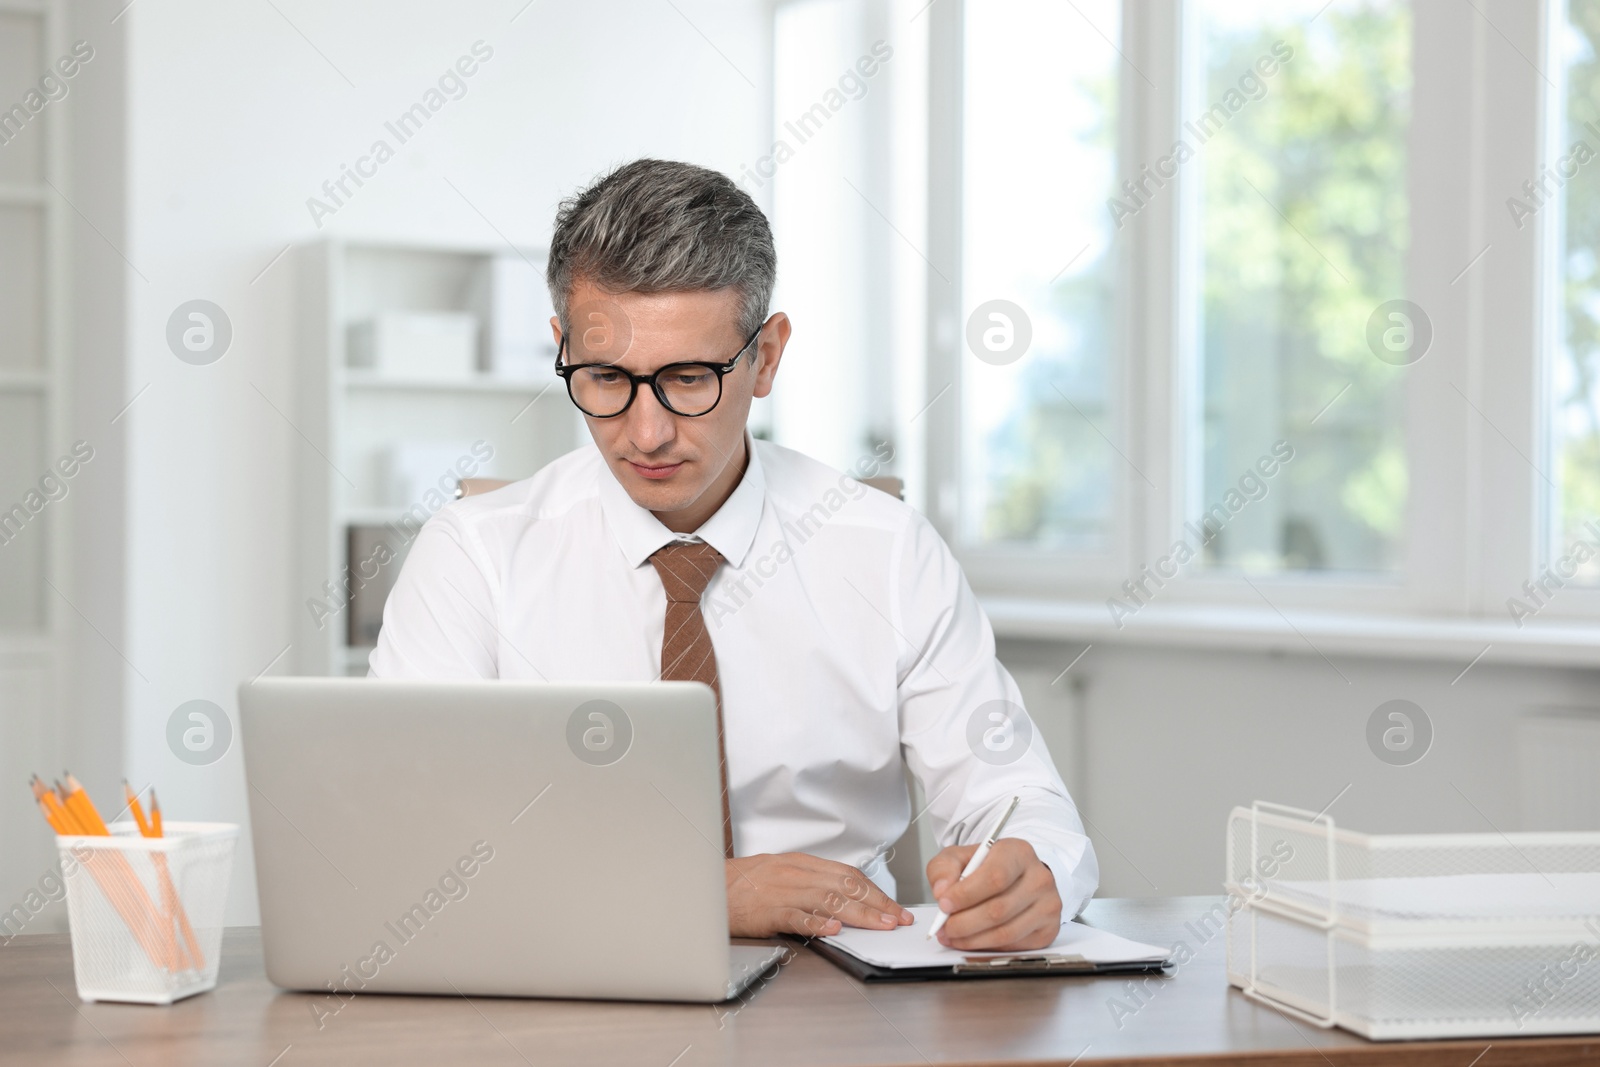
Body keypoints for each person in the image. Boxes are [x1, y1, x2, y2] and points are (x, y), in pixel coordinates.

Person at [370, 158, 1098, 951]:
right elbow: (407, 845)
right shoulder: (472, 554)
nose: (645, 432)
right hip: (561, 973)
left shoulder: (887, 552)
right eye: (606, 376)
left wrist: (1035, 870)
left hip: (836, 992)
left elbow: (1015, 795)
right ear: (563, 346)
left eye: (688, 377)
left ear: (768, 357)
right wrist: (698, 894)